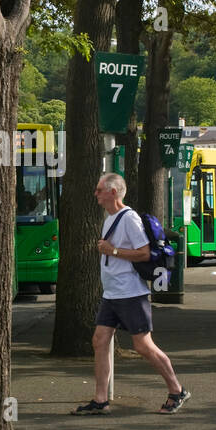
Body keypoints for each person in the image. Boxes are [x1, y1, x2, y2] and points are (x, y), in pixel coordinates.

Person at [73, 172, 189, 416]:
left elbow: (145, 253)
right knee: (100, 340)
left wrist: (112, 250)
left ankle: (177, 390)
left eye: (99, 190)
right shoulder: (110, 218)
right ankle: (100, 399)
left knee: (143, 345)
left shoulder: (129, 219)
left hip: (130, 293)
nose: (96, 194)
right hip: (112, 293)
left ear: (113, 192)